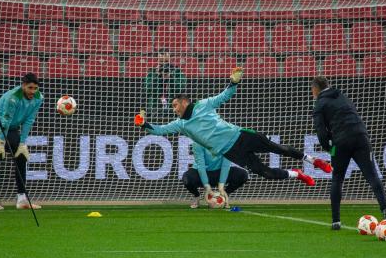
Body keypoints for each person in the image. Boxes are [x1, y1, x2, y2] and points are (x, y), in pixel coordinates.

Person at [135, 67, 332, 187]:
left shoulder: (203, 105)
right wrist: (144, 124)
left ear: (184, 102)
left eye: (175, 105)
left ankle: (314, 161)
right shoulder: (181, 125)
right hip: (232, 153)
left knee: (277, 148)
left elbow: (224, 96)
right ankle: (297, 174)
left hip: (240, 136)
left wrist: (233, 82)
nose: (174, 109)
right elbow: (159, 130)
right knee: (266, 173)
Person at [311, 76, 386, 230]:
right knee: (372, 175)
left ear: (315, 89)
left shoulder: (319, 104)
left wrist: (329, 147)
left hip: (340, 142)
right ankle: (385, 208)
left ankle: (336, 221)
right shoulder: (342, 95)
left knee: (337, 178)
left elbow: (321, 132)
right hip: (361, 137)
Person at [0, 73, 43, 211]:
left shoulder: (38, 98)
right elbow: (5, 120)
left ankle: (22, 200)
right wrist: (0, 141)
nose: (32, 91)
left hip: (11, 127)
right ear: (23, 85)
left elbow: (29, 120)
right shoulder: (13, 98)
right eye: (30, 88)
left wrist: (22, 142)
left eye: (35, 88)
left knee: (21, 156)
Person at [182, 142, 249, 209]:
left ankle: (225, 195)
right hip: (202, 172)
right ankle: (197, 196)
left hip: (220, 172)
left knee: (243, 175)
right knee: (187, 179)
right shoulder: (197, 141)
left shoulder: (226, 141)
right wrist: (206, 186)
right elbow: (201, 165)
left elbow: (226, 165)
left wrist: (221, 186)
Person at [144, 51, 186, 119]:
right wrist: (157, 76)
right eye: (161, 61)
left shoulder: (177, 72)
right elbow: (148, 89)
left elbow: (181, 89)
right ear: (157, 60)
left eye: (166, 61)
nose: (164, 64)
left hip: (173, 110)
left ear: (170, 60)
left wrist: (171, 78)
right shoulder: (151, 72)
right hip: (155, 109)